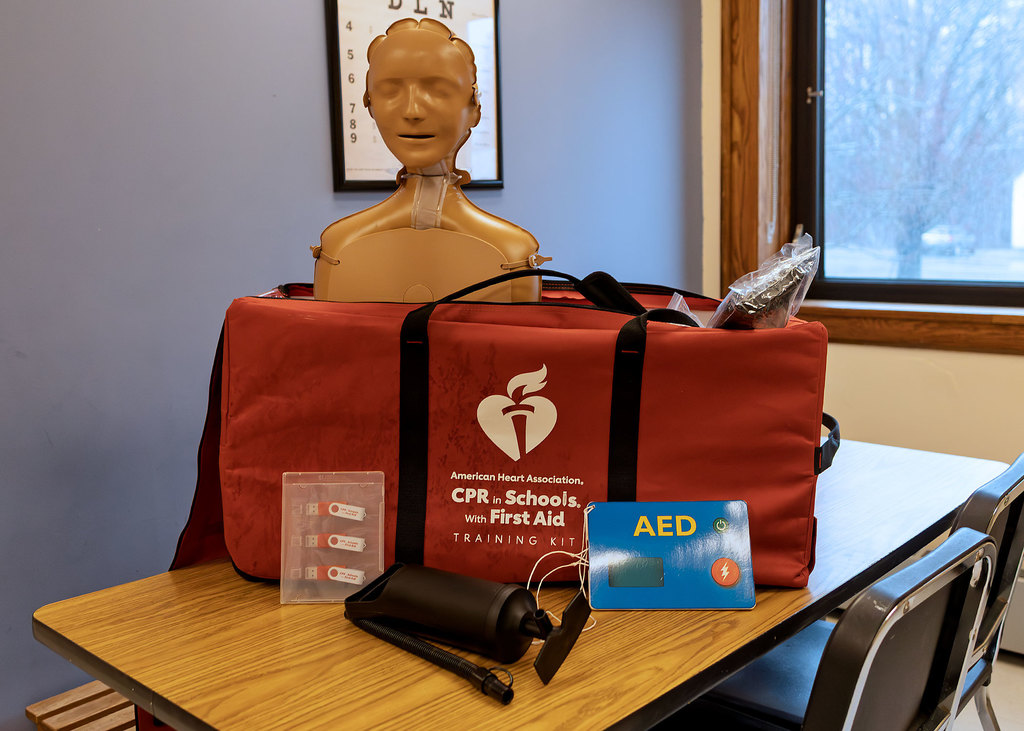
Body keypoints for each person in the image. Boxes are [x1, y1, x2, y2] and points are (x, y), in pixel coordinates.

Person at [313, 17, 547, 303]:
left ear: (474, 109)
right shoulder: (338, 247)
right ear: (370, 104)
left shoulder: (513, 253)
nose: (412, 110)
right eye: (390, 91)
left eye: (438, 91)